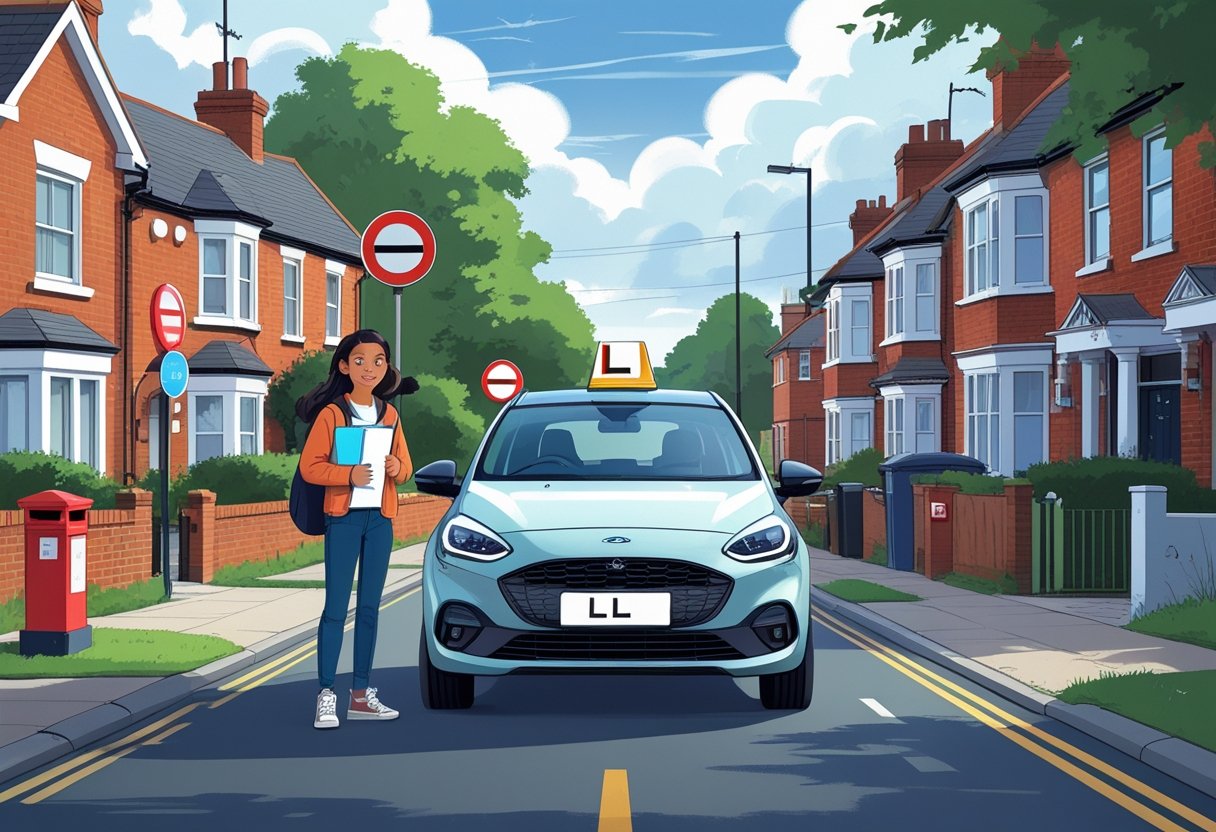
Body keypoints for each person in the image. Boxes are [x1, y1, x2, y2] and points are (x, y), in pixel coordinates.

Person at [296, 329, 419, 729]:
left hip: (379, 520)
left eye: (379, 361)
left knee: (369, 609)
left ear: (387, 368)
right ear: (345, 366)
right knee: (336, 608)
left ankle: (362, 695)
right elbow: (310, 467)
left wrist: (396, 469)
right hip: (344, 518)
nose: (370, 369)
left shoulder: (390, 414)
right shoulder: (333, 413)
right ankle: (327, 694)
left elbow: (406, 467)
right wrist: (349, 474)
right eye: (361, 361)